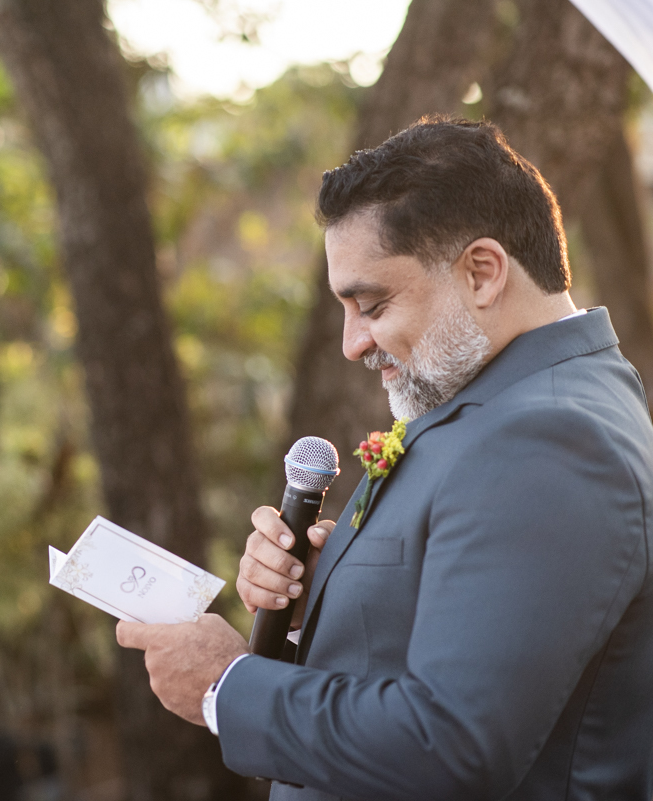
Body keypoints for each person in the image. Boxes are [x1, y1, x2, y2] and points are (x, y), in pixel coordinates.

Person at [116, 118, 653, 799]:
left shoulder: (548, 436)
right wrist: (333, 590)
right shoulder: (505, 402)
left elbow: (453, 743)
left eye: (371, 304)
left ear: (482, 272)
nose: (351, 343)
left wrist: (229, 685)